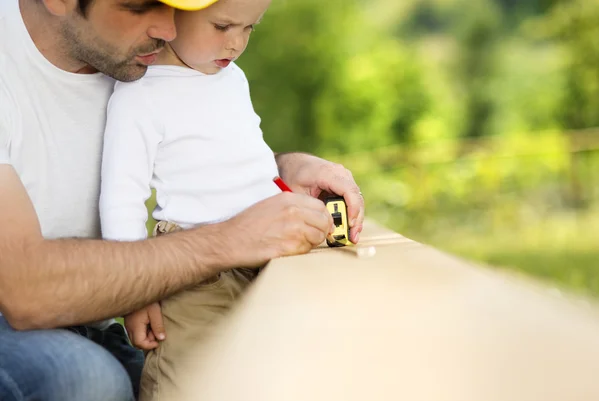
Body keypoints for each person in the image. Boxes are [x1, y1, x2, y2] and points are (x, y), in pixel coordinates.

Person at [0, 0, 365, 400]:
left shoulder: (140, 56)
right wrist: (220, 243)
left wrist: (284, 167)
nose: (169, 29)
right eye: (140, 6)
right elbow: (24, 291)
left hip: (95, 317)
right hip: (18, 315)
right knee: (89, 380)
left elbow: (192, 147)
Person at [99, 0, 345, 398]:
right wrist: (133, 290)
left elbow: (250, 160)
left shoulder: (233, 79)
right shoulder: (139, 94)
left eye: (250, 28)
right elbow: (123, 197)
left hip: (270, 258)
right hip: (194, 275)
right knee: (188, 382)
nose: (236, 43)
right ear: (172, 12)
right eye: (223, 25)